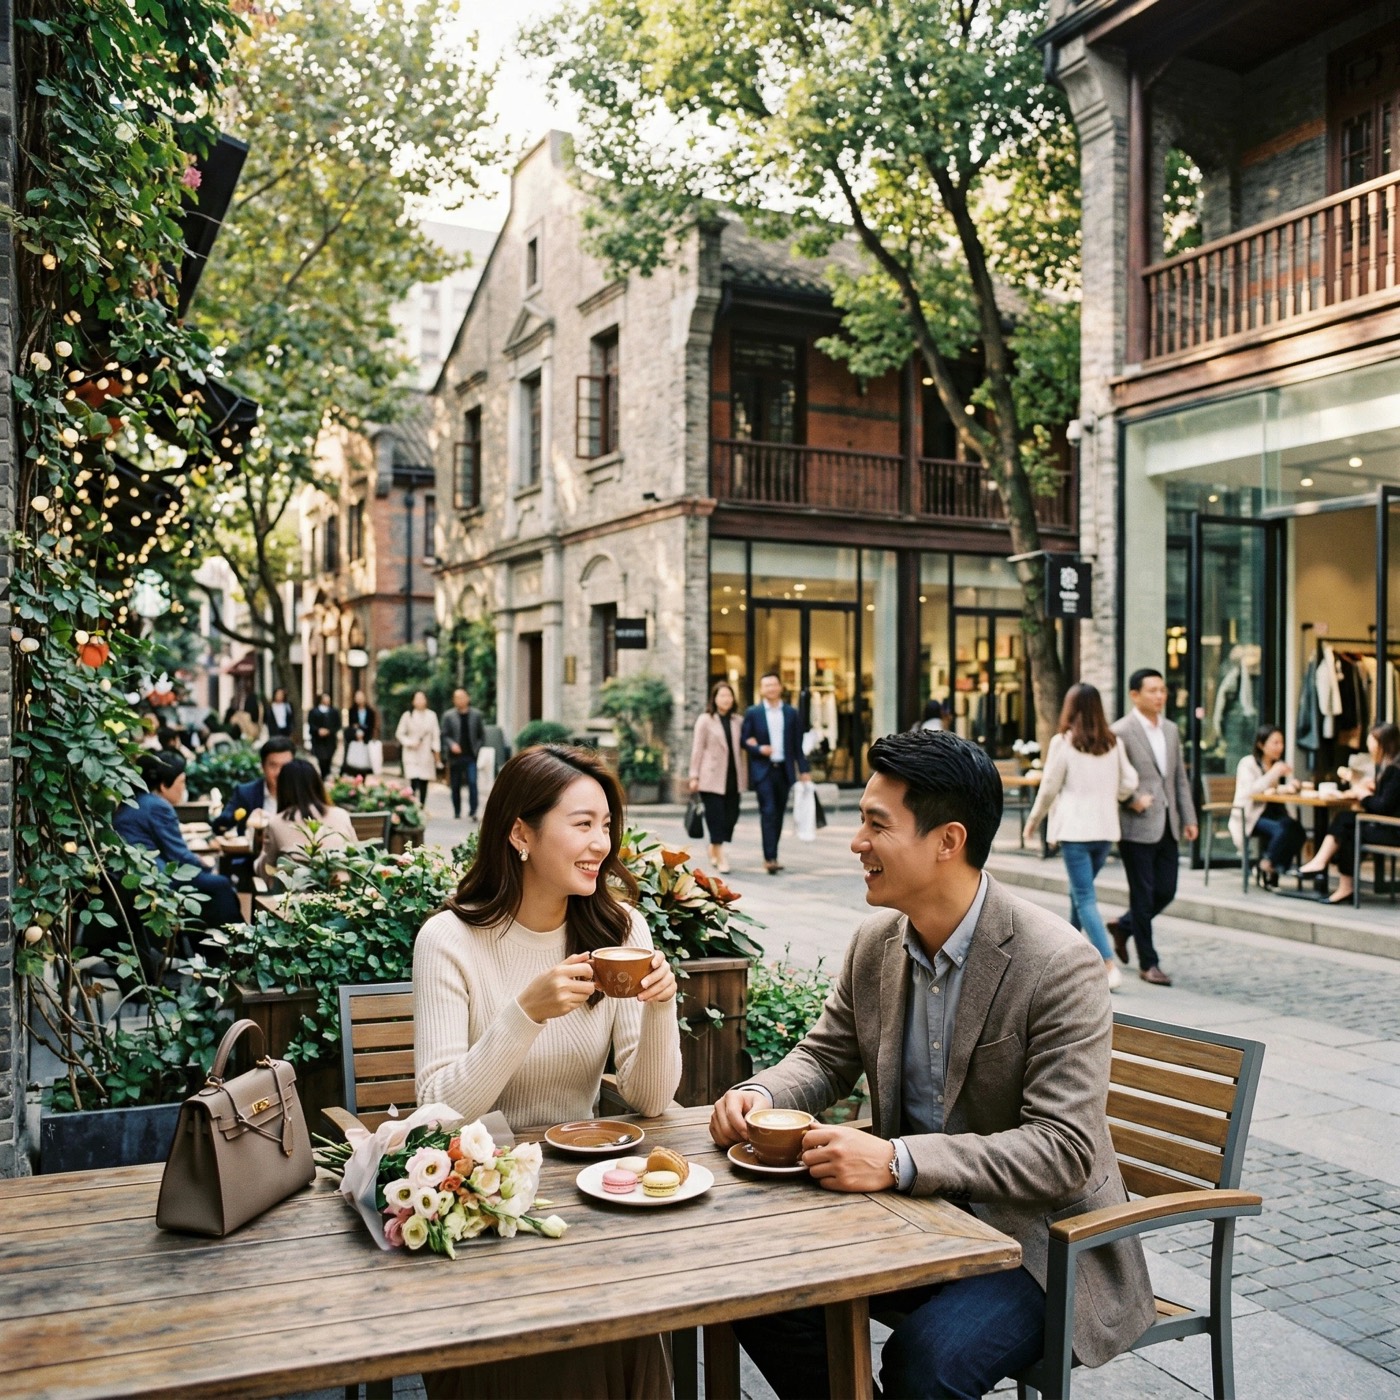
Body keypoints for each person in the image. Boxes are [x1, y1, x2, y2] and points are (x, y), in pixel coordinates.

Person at [708, 729, 1153, 1399]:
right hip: (907, 1221)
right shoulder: (877, 942)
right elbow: (824, 1056)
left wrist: (895, 1162)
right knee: (753, 1287)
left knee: (927, 1361)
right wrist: (759, 1093)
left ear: (948, 841)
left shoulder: (1057, 965)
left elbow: (1065, 1152)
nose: (856, 841)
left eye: (876, 824)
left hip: (1037, 1244)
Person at [414, 744, 682, 1399]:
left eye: (607, 825)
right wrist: (524, 1012)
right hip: (483, 1204)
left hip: (589, 1196)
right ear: (520, 832)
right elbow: (438, 1107)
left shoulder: (620, 927)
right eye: (583, 824)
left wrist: (661, 1007)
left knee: (630, 1326)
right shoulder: (448, 940)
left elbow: (649, 1101)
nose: (602, 842)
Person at [1025, 683, 1139, 990]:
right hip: (1104, 831)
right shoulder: (1112, 743)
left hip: (1075, 831)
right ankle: (1065, 954)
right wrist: (1111, 796)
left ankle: (1107, 963)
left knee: (1085, 896)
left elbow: (1049, 786)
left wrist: (1033, 821)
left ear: (1070, 708)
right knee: (1080, 893)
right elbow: (1130, 781)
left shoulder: (1064, 743)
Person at [1109, 668, 1198, 986]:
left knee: (1166, 890)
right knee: (1143, 895)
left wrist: (1188, 817)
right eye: (1153, 690)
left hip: (1168, 824)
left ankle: (1123, 926)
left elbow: (1178, 779)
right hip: (1136, 825)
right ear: (1135, 695)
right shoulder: (1120, 731)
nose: (1160, 696)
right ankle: (1149, 963)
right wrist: (1131, 798)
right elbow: (1113, 776)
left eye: (1163, 690)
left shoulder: (1172, 730)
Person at [114, 751, 242, 958]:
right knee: (220, 885)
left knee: (214, 886)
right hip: (154, 881)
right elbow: (180, 855)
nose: (184, 788)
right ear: (164, 785)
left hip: (137, 877)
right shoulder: (157, 806)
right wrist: (207, 863)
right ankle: (235, 949)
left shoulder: (135, 801)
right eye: (181, 782)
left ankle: (212, 952)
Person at [1299, 721, 1400, 903]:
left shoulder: (1395, 770)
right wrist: (1372, 790)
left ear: (1382, 744)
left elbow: (1383, 807)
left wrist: (1363, 795)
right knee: (1346, 824)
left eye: (1372, 743)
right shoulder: (1391, 767)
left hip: (1394, 830)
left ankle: (1329, 871)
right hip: (1389, 827)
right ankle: (1325, 867)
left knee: (1348, 828)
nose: (1369, 747)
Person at [740, 671, 811, 874]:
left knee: (778, 813)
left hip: (784, 770)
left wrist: (803, 770)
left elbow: (797, 745)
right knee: (768, 810)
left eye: (774, 684)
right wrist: (759, 749)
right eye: (767, 685)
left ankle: (774, 854)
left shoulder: (791, 713)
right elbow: (744, 739)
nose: (771, 688)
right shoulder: (753, 713)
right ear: (761, 690)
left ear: (780, 687)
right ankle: (769, 857)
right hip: (764, 770)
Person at [1229, 724, 1307, 889]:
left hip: (1273, 813)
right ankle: (1269, 866)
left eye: (1281, 743)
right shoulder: (1247, 764)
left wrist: (1291, 786)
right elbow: (1252, 790)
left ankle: (1268, 865)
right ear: (1261, 744)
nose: (1280, 747)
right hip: (1250, 815)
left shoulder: (1275, 764)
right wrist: (1275, 772)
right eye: (1275, 743)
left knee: (1298, 831)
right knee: (1285, 829)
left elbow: (1273, 791)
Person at [257, 758, 357, 876]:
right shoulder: (341, 815)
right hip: (343, 890)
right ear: (317, 784)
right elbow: (357, 855)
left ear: (283, 787)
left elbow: (267, 869)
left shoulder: (276, 823)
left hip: (298, 893)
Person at [688, 680, 747, 873]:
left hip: (733, 776)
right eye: (722, 695)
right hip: (710, 777)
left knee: (731, 816)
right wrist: (694, 775)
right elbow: (697, 749)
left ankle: (713, 847)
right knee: (716, 818)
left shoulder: (738, 721)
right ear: (714, 698)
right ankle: (720, 856)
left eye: (729, 695)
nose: (726, 699)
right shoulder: (705, 720)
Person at [212, 737, 297, 836]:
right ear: (262, 767)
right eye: (273, 765)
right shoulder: (246, 792)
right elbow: (220, 825)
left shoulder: (302, 793)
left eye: (285, 766)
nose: (279, 772)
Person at [440, 687, 487, 821]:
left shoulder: (476, 715)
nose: (459, 700)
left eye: (462, 697)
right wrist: (451, 745)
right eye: (456, 697)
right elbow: (444, 735)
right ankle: (457, 810)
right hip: (455, 757)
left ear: (468, 698)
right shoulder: (448, 716)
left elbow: (481, 736)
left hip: (471, 756)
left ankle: (473, 811)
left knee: (472, 782)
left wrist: (477, 750)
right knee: (455, 785)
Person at [396, 689, 441, 806]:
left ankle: (422, 805)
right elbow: (399, 733)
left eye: (422, 698)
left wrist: (437, 754)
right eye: (417, 698)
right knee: (413, 780)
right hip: (411, 753)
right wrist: (410, 742)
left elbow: (436, 736)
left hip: (426, 753)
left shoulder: (432, 715)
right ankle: (412, 805)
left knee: (424, 781)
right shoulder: (407, 715)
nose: (420, 701)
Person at [342, 688, 379, 778]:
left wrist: (364, 733)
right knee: (354, 762)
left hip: (365, 739)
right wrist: (356, 733)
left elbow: (371, 726)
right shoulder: (352, 710)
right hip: (355, 739)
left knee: (364, 762)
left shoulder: (370, 711)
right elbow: (351, 725)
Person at [307, 692, 341, 780]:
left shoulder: (334, 712)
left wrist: (329, 731)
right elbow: (311, 724)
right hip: (318, 740)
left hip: (330, 740)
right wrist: (318, 730)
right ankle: (323, 775)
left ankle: (326, 774)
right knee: (321, 759)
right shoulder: (314, 711)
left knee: (328, 758)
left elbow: (337, 725)